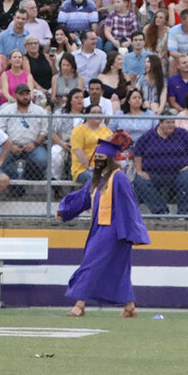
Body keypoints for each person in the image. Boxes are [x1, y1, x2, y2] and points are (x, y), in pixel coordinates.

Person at [59, 134, 147, 317]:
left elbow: (129, 207)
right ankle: (130, 307)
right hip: (99, 228)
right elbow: (83, 197)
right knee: (118, 269)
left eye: (102, 158)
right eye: (96, 157)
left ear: (110, 159)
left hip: (115, 230)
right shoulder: (98, 180)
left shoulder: (119, 178)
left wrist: (129, 232)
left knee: (90, 264)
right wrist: (65, 210)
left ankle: (79, 305)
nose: (98, 161)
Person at [131, 116, 188, 215]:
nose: (171, 125)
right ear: (160, 123)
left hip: (179, 173)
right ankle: (161, 212)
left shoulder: (183, 134)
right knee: (140, 181)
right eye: (168, 122)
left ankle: (184, 213)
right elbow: (138, 155)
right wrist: (139, 171)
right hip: (153, 173)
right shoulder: (148, 136)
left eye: (173, 122)